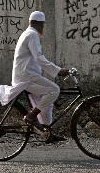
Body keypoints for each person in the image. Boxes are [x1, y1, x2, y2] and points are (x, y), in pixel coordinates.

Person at [11, 11, 69, 142]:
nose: (43, 28)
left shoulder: (27, 33)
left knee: (47, 103)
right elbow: (39, 58)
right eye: (42, 25)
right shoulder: (32, 34)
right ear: (39, 24)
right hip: (27, 77)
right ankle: (31, 116)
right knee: (55, 90)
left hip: (27, 75)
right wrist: (58, 70)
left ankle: (47, 133)